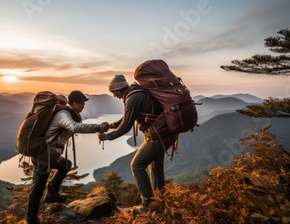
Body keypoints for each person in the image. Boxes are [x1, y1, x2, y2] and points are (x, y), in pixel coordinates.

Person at [26, 90, 109, 224]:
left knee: (65, 165)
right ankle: (31, 220)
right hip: (43, 154)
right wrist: (98, 127)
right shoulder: (63, 114)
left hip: (50, 154)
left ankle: (52, 193)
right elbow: (74, 127)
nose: (84, 106)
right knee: (38, 187)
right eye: (82, 103)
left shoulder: (70, 113)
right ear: (75, 103)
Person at [97, 74, 178, 210]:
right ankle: (161, 201)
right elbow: (127, 118)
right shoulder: (135, 93)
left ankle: (148, 202)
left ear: (118, 88)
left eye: (113, 92)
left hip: (159, 136)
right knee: (155, 168)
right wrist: (111, 125)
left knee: (137, 165)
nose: (114, 95)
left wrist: (108, 137)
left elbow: (126, 126)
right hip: (166, 133)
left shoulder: (133, 97)